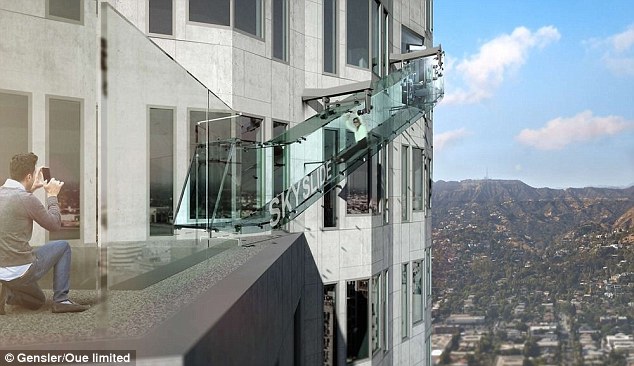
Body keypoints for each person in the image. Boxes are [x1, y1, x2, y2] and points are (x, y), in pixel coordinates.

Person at [0, 153, 88, 314]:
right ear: (28, 176)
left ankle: (8, 291)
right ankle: (62, 300)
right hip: (21, 269)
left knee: (37, 301)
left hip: (1, 269)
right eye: (34, 174)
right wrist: (52, 196)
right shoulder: (25, 199)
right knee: (63, 246)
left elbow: (15, 207)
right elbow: (54, 225)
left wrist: (30, 189)